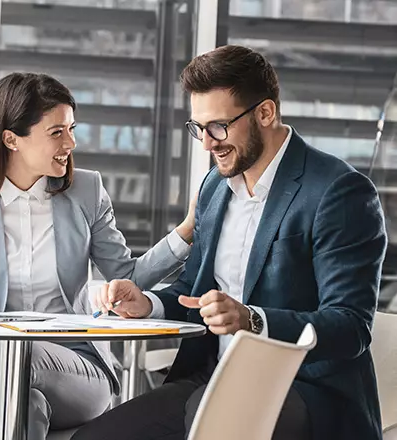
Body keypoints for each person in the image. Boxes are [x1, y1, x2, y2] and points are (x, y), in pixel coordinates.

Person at [74, 45, 387, 440]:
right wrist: (148, 303)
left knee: (211, 425)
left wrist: (252, 319)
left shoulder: (338, 191)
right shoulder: (215, 188)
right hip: (212, 379)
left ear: (265, 113)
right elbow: (195, 293)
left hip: (304, 391)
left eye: (218, 127)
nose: (206, 144)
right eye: (198, 128)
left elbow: (349, 326)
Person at [0, 72, 197, 440]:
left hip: (77, 367)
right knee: (27, 407)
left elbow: (127, 277)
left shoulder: (86, 191)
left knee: (22, 356)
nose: (71, 142)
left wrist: (185, 233)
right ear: (11, 139)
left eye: (72, 129)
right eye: (57, 132)